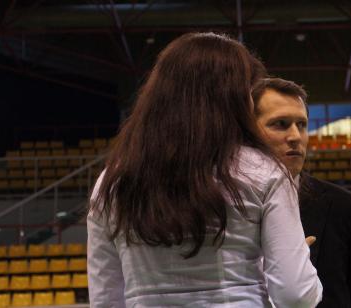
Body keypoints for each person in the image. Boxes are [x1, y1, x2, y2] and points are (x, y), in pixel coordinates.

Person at [87, 33, 322, 307]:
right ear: (234, 98)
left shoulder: (112, 181)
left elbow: (106, 299)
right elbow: (295, 296)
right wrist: (300, 266)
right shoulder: (266, 171)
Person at [252, 77, 351, 307]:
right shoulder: (225, 207)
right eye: (280, 124)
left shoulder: (350, 210)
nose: (295, 136)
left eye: (301, 125)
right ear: (250, 131)